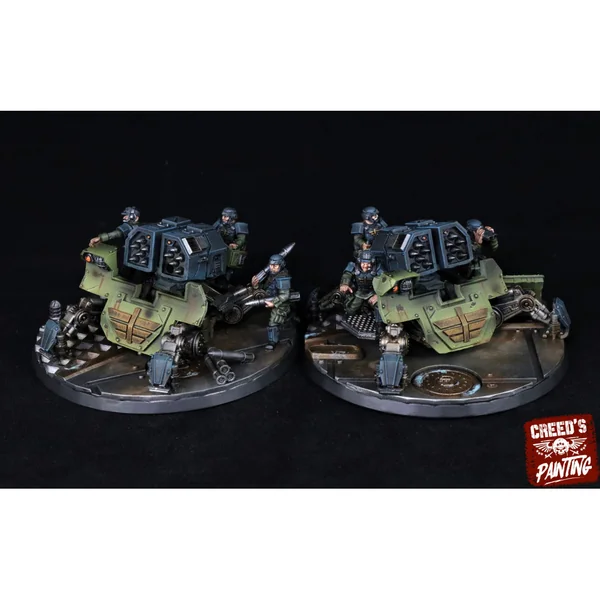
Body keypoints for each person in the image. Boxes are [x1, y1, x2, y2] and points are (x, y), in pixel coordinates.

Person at [251, 254, 292, 351]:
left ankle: (272, 342)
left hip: (281, 304)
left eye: (275, 265)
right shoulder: (272, 275)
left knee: (273, 321)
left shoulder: (283, 277)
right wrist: (255, 285)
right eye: (271, 265)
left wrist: (274, 303)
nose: (272, 267)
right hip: (271, 300)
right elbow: (266, 290)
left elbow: (285, 295)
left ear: (281, 265)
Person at [339, 250, 384, 316]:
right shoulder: (354, 267)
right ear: (359, 261)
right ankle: (363, 308)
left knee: (380, 308)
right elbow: (347, 274)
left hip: (372, 292)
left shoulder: (377, 268)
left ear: (373, 262)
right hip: (359, 292)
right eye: (363, 263)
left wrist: (379, 295)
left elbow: (385, 280)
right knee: (350, 310)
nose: (365, 266)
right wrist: (344, 284)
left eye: (368, 263)